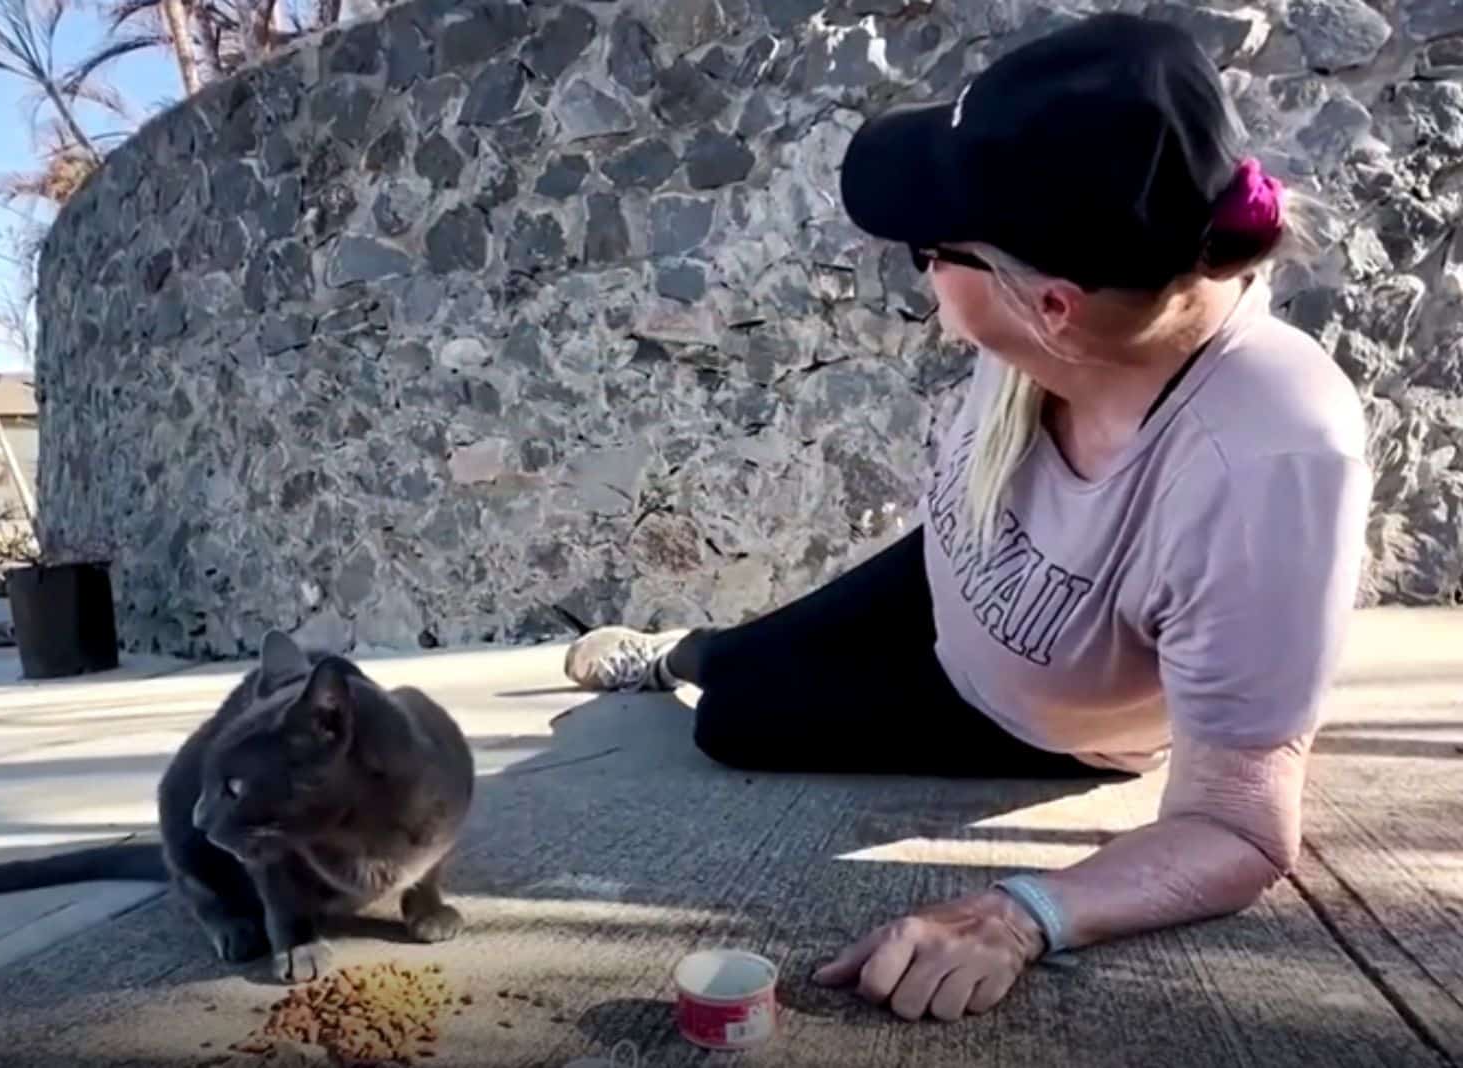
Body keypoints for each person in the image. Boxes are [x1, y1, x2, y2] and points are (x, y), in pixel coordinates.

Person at [560, 12, 1373, 1024]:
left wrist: (1025, 910)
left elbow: (1239, 828)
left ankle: (706, 669)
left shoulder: (1270, 461)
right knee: (729, 658)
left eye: (931, 252)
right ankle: (685, 651)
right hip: (966, 565)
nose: (921, 271)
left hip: (1025, 702)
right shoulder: (1109, 279)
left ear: (1053, 309)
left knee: (732, 724)